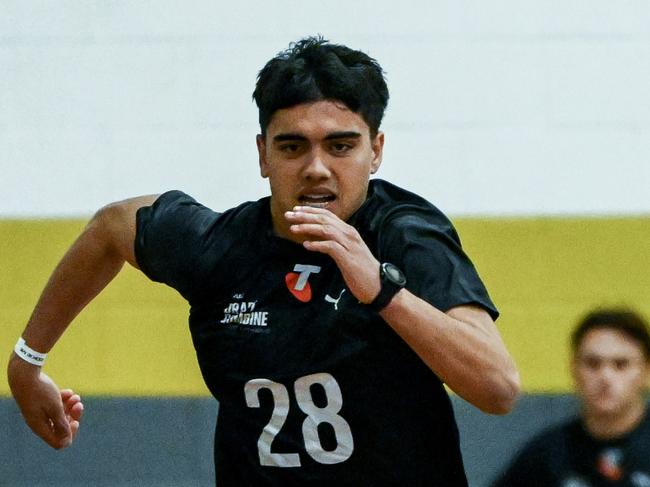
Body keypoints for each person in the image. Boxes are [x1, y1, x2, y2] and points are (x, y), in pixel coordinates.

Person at [7, 36, 520, 486]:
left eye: (341, 146)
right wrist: (27, 364)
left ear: (376, 151)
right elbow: (111, 228)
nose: (317, 168)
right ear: (262, 155)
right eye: (293, 147)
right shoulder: (220, 246)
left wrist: (382, 292)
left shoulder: (407, 235)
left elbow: (497, 388)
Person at [492, 308, 650, 487]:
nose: (605, 377)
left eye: (620, 365)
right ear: (574, 369)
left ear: (646, 370)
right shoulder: (548, 454)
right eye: (593, 364)